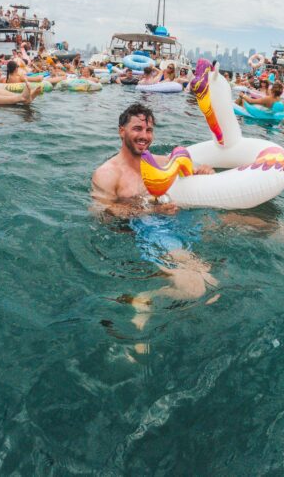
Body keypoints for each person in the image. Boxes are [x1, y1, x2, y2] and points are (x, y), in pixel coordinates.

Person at [91, 104, 216, 328]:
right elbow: (102, 213)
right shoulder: (107, 174)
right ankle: (147, 297)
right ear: (122, 131)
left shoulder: (158, 162)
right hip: (144, 230)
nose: (144, 136)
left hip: (174, 222)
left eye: (149, 130)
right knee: (195, 289)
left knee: (211, 281)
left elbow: (188, 168)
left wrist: (204, 172)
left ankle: (145, 299)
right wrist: (150, 210)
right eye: (137, 129)